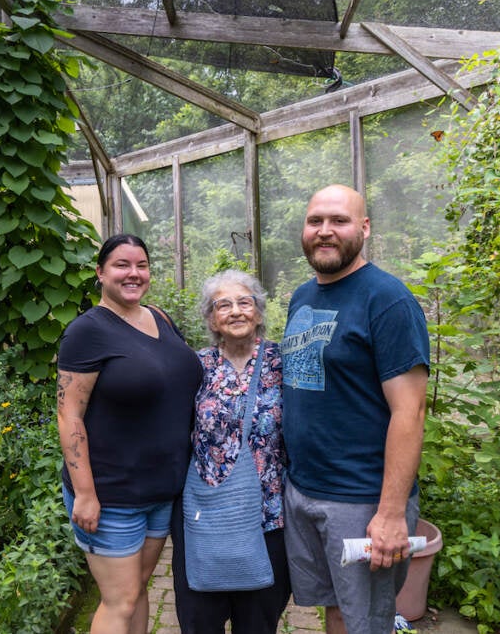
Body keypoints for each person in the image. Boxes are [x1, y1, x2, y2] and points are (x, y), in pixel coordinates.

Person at [279, 184, 430, 634]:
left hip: (361, 499)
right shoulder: (302, 296)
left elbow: (411, 413)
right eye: (315, 221)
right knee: (336, 610)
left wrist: (389, 513)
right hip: (304, 490)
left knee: (365, 621)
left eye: (339, 221)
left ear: (363, 228)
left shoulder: (387, 300)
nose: (325, 231)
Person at [57, 233, 203, 634]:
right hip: (111, 491)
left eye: (141, 265)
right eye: (121, 265)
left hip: (160, 489)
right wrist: (85, 493)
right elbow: (69, 414)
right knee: (118, 600)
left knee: (138, 590)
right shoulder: (87, 331)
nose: (133, 273)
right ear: (101, 273)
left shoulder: (159, 317)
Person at [171, 269, 291, 633]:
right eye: (224, 305)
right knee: (199, 618)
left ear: (258, 312)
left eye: (245, 302)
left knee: (258, 619)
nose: (236, 311)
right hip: (206, 512)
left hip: (268, 513)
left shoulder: (282, 362)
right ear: (211, 319)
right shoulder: (194, 365)